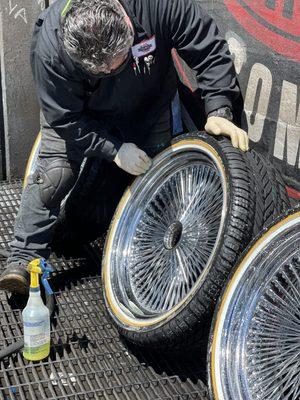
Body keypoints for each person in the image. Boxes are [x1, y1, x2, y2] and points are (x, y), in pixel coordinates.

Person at [0, 0, 249, 294]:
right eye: (101, 70)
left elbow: (206, 47)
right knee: (54, 174)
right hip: (81, 115)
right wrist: (114, 150)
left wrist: (219, 108)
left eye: (115, 62)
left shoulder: (158, 6)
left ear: (126, 22)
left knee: (157, 178)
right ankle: (24, 255)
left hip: (150, 101)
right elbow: (64, 118)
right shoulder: (50, 47)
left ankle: (155, 262)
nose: (109, 71)